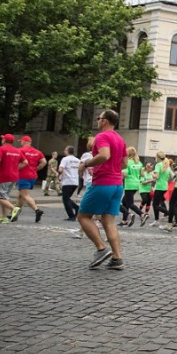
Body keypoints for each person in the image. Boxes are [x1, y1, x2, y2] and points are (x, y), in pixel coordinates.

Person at [78, 110, 127, 270]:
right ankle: (116, 258)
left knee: (83, 216)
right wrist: (112, 170)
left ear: (105, 121)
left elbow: (104, 155)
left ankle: (101, 249)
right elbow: (124, 164)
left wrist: (87, 164)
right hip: (117, 184)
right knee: (108, 221)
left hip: (103, 183)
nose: (97, 121)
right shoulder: (120, 139)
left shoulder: (102, 136)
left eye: (99, 118)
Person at [14, 135, 46, 222]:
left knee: (25, 195)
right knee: (20, 196)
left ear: (24, 142)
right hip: (33, 175)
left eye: (21, 141)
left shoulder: (20, 150)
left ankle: (37, 210)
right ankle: (15, 214)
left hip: (23, 175)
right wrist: (36, 168)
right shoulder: (37, 152)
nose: (20, 143)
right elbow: (44, 162)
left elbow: (15, 162)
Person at [0, 134, 23, 223]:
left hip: (3, 176)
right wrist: (16, 169)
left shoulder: (1, 149)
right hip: (14, 176)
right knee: (4, 197)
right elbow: (25, 162)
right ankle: (4, 217)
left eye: (2, 139)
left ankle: (14, 209)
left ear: (4, 140)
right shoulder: (17, 151)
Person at [58, 146, 81, 221]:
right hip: (75, 181)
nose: (64, 151)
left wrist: (58, 174)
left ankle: (71, 215)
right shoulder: (77, 160)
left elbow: (61, 169)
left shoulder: (65, 159)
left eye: (65, 150)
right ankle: (76, 207)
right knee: (67, 198)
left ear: (68, 151)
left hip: (67, 181)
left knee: (65, 199)